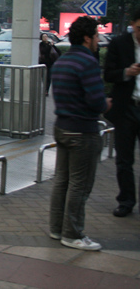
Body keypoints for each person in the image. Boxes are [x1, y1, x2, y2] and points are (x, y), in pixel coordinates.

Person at [49, 16, 111, 251]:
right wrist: (106, 104)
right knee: (79, 185)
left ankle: (56, 228)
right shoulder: (88, 63)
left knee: (62, 181)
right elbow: (96, 102)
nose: (98, 40)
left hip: (62, 127)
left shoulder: (62, 61)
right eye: (96, 35)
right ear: (87, 38)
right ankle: (73, 234)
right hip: (83, 131)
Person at [103, 9, 140, 218]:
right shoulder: (119, 43)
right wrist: (127, 72)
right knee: (124, 160)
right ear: (132, 24)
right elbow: (108, 74)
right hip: (127, 107)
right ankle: (126, 201)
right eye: (139, 28)